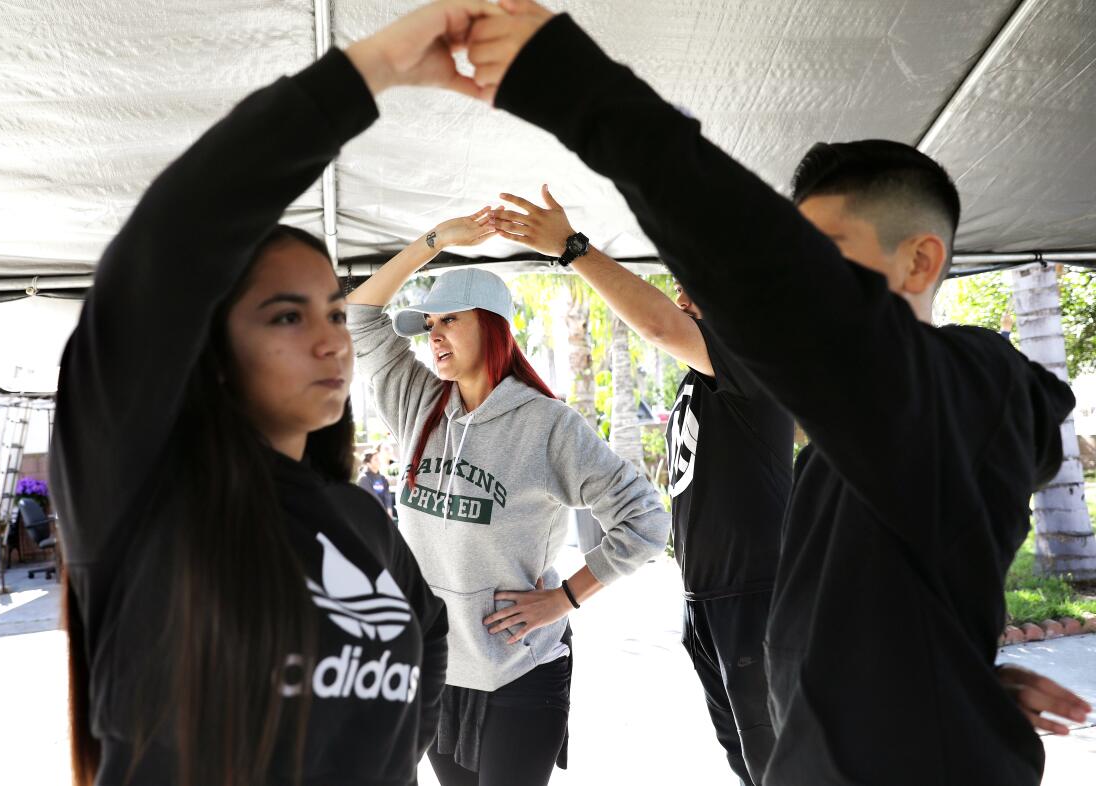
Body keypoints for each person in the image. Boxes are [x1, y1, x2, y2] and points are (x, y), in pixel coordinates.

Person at [460, 3, 1089, 784]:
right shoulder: (852, 448)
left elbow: (727, 278)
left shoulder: (968, 385)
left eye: (821, 259)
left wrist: (576, 87)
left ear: (921, 262)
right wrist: (955, 679)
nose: (792, 289)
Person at [48, 3, 508, 783]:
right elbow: (168, 241)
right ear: (213, 350)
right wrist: (371, 72)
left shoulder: (358, 516)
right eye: (285, 316)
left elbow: (426, 637)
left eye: (333, 310)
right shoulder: (145, 496)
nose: (331, 339)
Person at [345, 216, 670, 786]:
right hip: (438, 670)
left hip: (519, 675)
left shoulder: (548, 428)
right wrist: (436, 243)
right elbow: (359, 315)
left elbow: (644, 520)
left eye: (450, 320)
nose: (433, 335)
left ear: (492, 327)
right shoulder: (417, 402)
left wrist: (565, 597)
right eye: (428, 325)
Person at [492, 185, 791, 785]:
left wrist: (572, 249)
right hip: (709, 600)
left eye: (693, 287)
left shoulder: (752, 355)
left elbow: (656, 325)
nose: (680, 299)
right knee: (752, 763)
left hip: (753, 597)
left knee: (780, 764)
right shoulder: (706, 378)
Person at [358, 449, 396, 518]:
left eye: (378, 459)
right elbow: (373, 499)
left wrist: (389, 510)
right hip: (371, 514)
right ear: (368, 464)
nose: (379, 461)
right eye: (376, 459)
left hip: (384, 513)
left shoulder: (382, 477)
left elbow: (387, 495)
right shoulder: (364, 479)